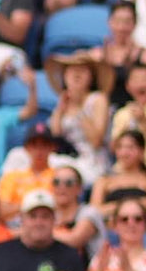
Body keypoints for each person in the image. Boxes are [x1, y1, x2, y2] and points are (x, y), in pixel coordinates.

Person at [45, 52, 113, 187]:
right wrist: (60, 110)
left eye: (82, 70)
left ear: (91, 76)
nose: (76, 74)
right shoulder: (62, 102)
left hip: (92, 160)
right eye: (71, 70)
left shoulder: (98, 99)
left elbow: (96, 141)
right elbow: (54, 136)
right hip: (64, 159)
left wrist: (79, 108)